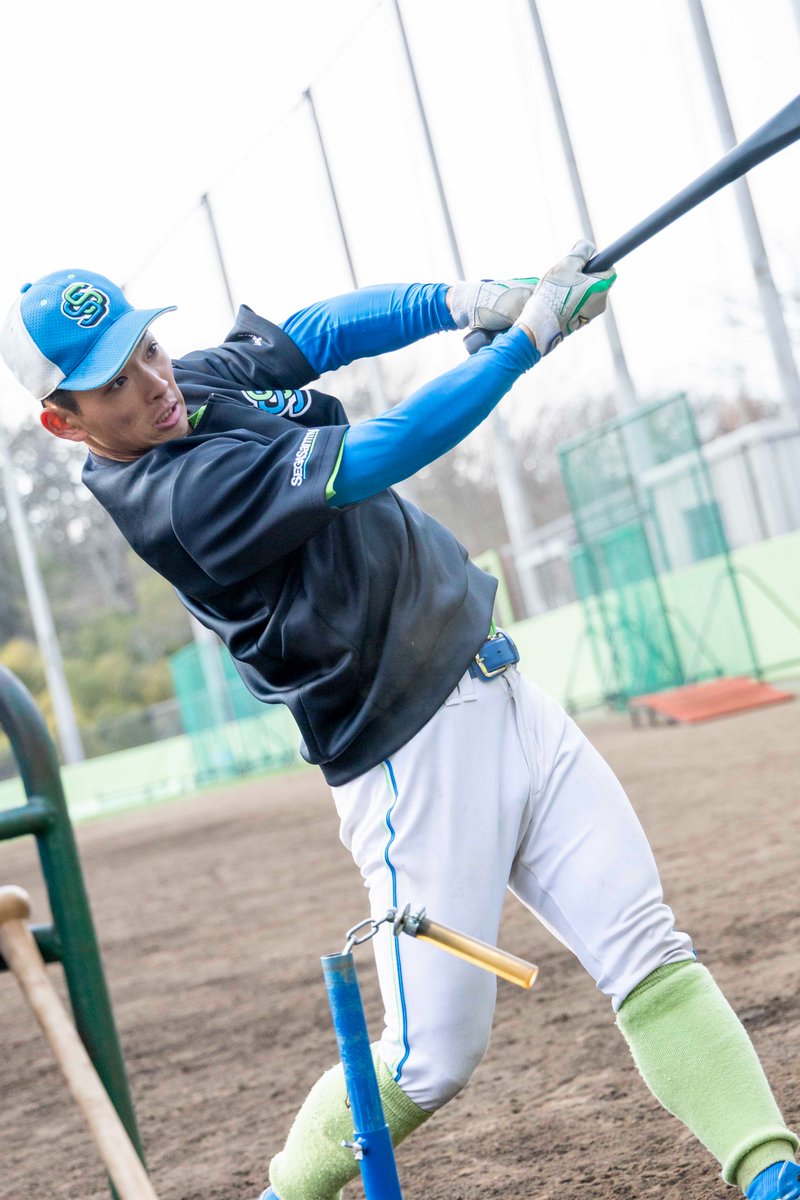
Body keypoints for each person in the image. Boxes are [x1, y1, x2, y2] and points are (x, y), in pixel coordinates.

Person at [1, 245, 797, 1200]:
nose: (152, 385)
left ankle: (771, 1174)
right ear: (65, 420)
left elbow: (317, 333)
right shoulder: (176, 499)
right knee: (430, 1060)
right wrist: (524, 343)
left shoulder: (191, 388)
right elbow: (382, 450)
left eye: (148, 351)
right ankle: (286, 1193)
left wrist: (464, 298)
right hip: (405, 756)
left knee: (650, 951)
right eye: (112, 384)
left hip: (501, 688)